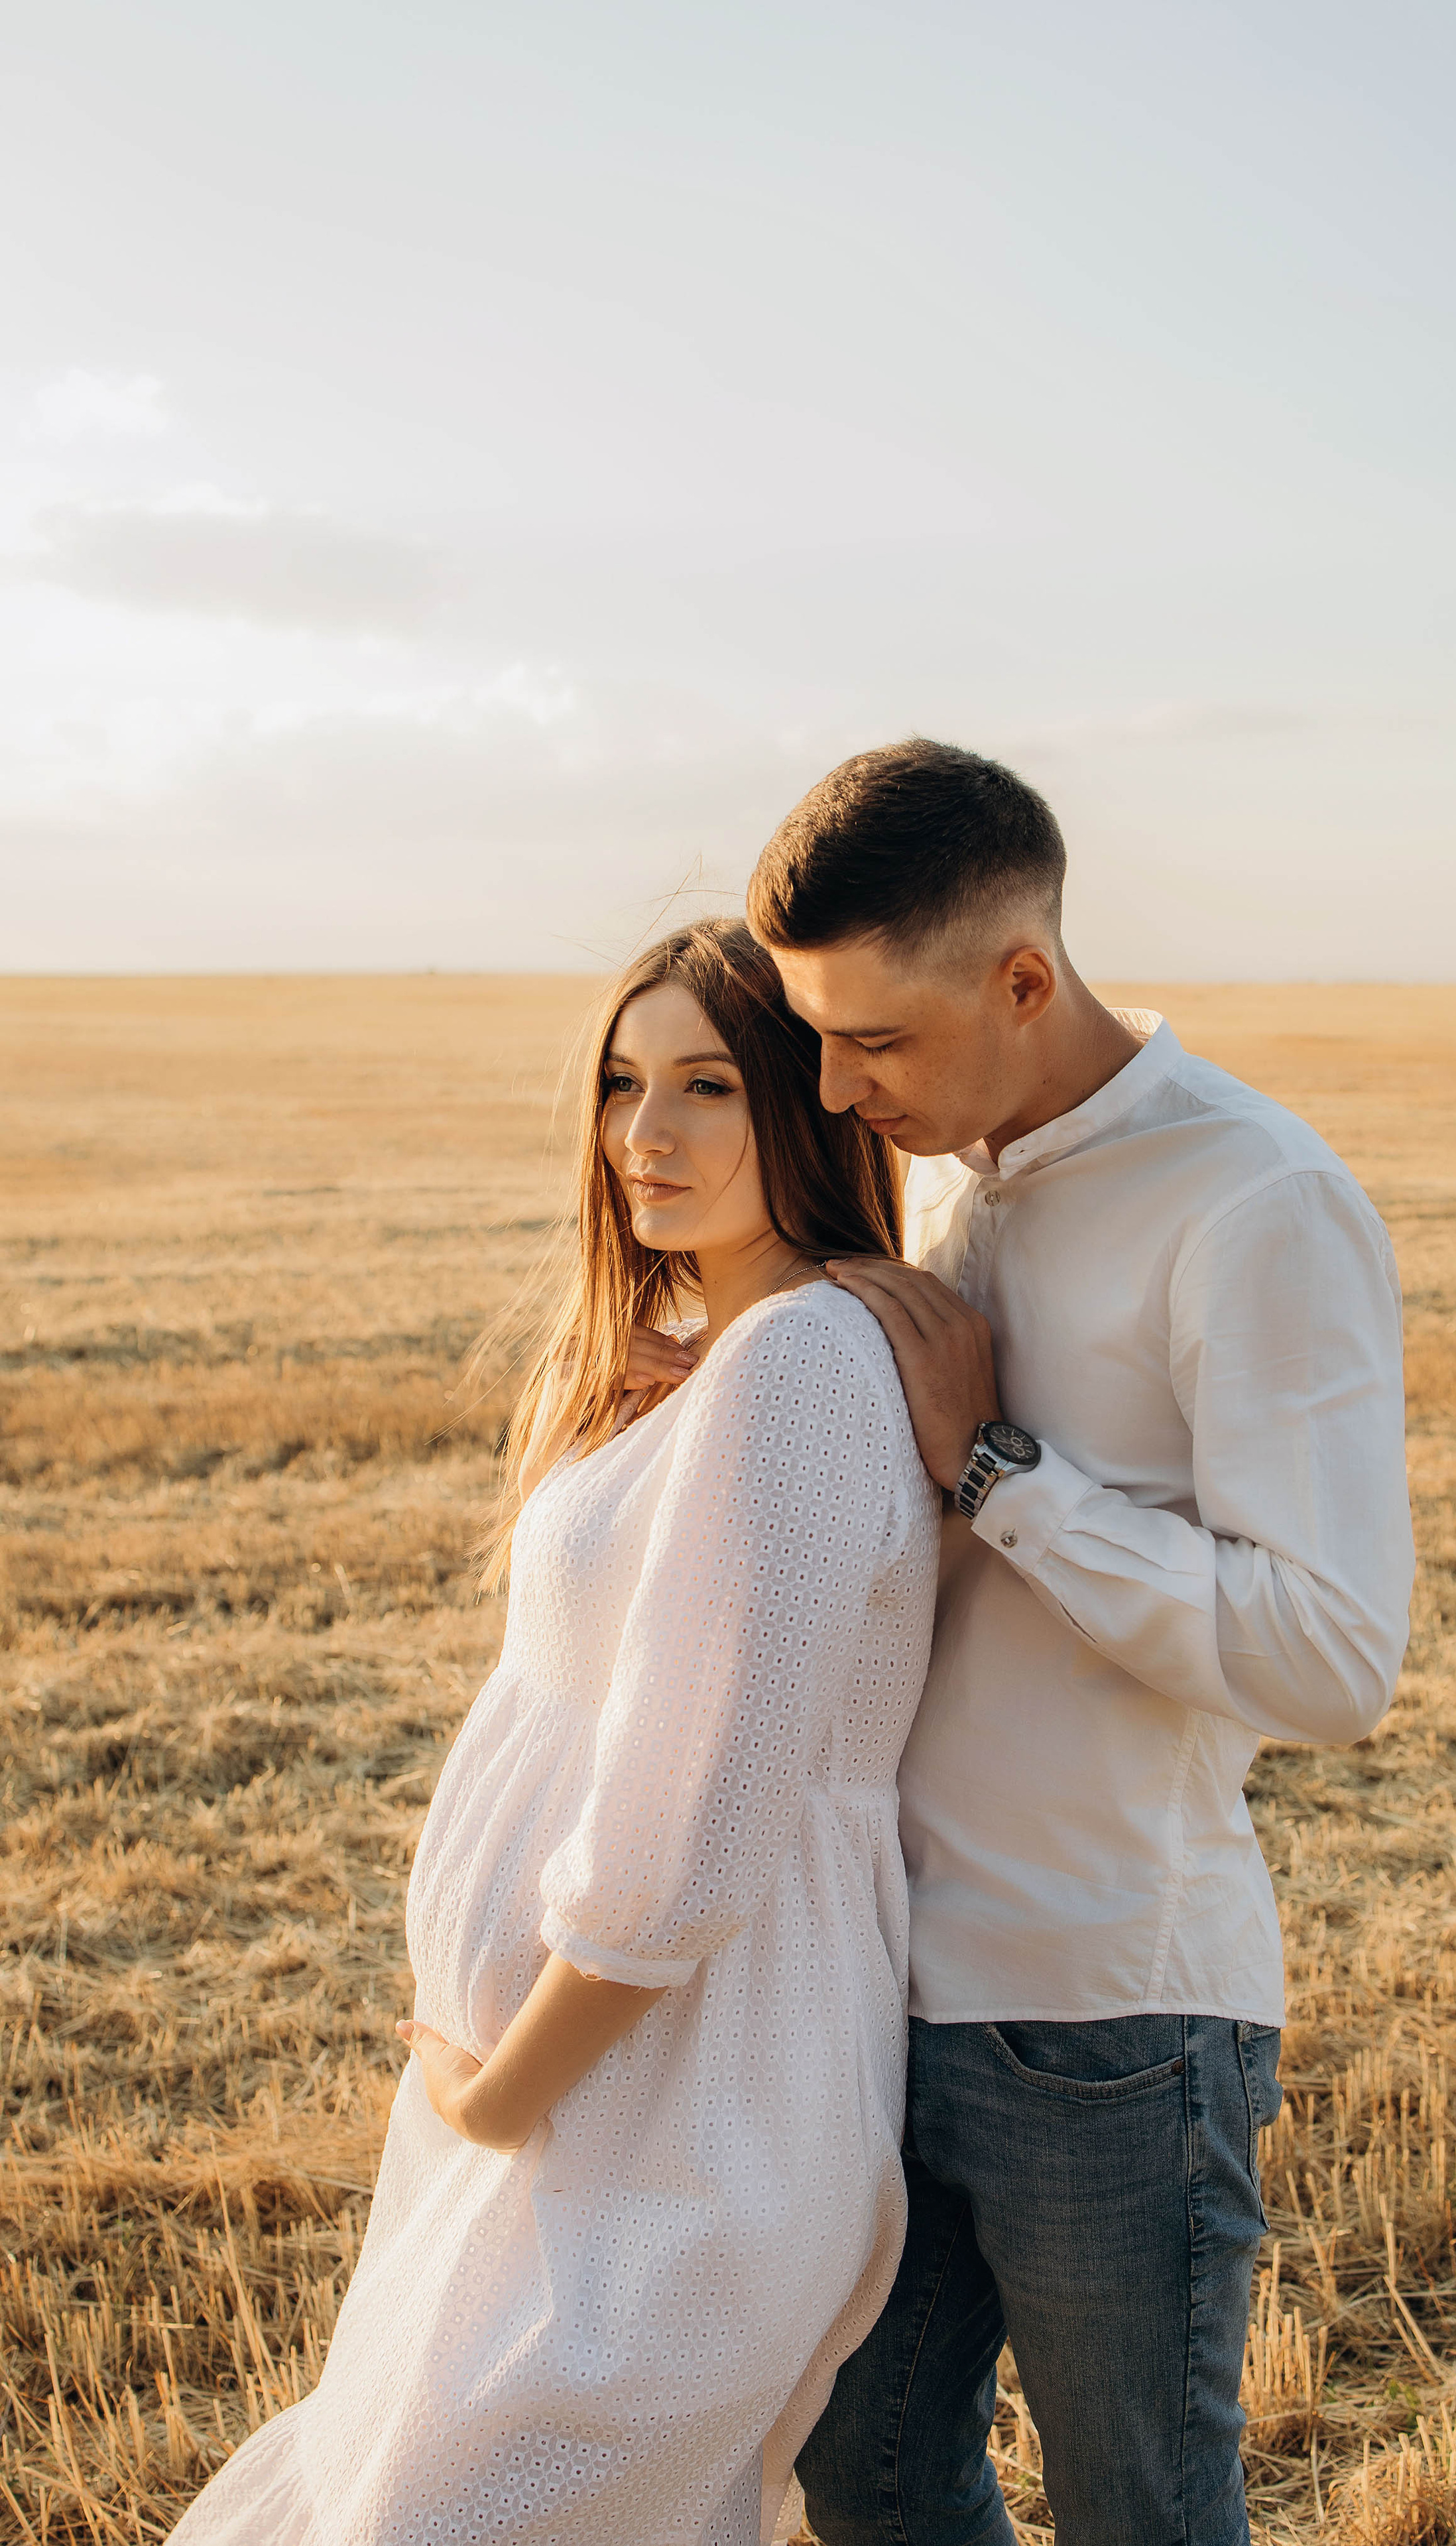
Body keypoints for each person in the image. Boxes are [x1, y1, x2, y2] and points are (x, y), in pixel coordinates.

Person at [640, 743, 1416, 2544]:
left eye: (875, 1043)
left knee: (1143, 2514)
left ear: (1022, 980)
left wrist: (1001, 1470)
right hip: (860, 1996)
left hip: (1112, 2016)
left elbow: (1332, 1658)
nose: (830, 1086)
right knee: (868, 2481)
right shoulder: (924, 1171)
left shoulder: (1255, 1203)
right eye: (816, 1039)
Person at [168, 918, 940, 2546]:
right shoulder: (721, 1356)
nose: (643, 1137)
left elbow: (698, 1835)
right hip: (582, 2092)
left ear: (803, 1106)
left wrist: (505, 2095)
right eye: (619, 1084)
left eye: (707, 1087)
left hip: (673, 2094)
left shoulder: (797, 1362)